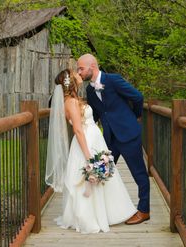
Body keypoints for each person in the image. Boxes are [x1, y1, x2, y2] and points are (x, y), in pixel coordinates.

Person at [45, 68, 137, 234]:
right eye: (75, 73)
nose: (79, 74)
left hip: (94, 139)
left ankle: (106, 213)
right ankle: (89, 217)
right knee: (89, 179)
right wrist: (88, 156)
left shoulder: (73, 99)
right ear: (71, 81)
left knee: (102, 177)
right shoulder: (71, 102)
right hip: (86, 142)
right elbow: (78, 130)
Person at [77, 54, 150, 225]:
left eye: (81, 68)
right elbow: (95, 114)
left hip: (129, 134)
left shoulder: (114, 80)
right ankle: (96, 210)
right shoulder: (89, 90)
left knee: (139, 173)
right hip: (109, 138)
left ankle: (144, 210)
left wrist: (135, 117)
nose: (79, 72)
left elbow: (138, 97)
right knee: (101, 172)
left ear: (92, 66)